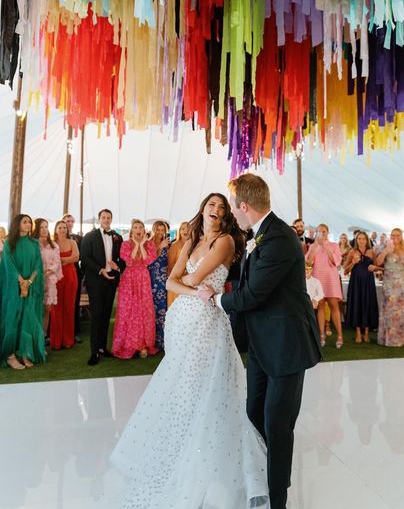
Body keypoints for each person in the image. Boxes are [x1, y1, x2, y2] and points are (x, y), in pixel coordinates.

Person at [111, 193, 269, 508]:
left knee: (206, 387)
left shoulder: (224, 241)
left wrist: (189, 285)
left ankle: (207, 454)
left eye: (222, 207)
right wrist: (191, 289)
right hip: (181, 319)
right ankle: (183, 444)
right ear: (203, 210)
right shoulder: (190, 242)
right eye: (212, 205)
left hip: (208, 321)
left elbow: (192, 277)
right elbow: (172, 282)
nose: (217, 210)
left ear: (226, 216)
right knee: (183, 386)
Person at [200, 175, 322, 509]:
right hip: (261, 345)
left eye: (232, 207)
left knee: (277, 425)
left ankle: (278, 498)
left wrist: (217, 300)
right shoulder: (260, 235)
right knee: (254, 413)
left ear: (244, 206)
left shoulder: (280, 238)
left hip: (286, 346)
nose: (231, 215)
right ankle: (265, 476)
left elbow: (254, 294)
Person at [0, 214, 45, 369]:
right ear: (17, 224)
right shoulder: (9, 243)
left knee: (28, 318)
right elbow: (9, 266)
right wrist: (21, 282)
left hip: (30, 287)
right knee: (12, 318)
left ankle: (26, 353)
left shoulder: (34, 243)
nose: (28, 224)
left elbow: (38, 266)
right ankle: (10, 355)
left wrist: (29, 282)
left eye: (29, 222)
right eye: (24, 222)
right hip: (13, 289)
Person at [81, 209, 125, 366]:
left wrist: (117, 266)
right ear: (99, 219)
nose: (106, 220)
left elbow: (123, 259)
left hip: (111, 281)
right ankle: (94, 351)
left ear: (111, 219)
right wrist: (100, 270)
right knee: (97, 315)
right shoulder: (90, 236)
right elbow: (84, 257)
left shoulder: (117, 237)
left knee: (106, 315)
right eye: (103, 217)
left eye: (109, 217)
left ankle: (102, 348)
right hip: (96, 281)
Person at [112, 219, 158, 359]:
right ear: (132, 231)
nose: (138, 229)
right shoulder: (126, 244)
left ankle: (143, 344)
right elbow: (129, 261)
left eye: (140, 227)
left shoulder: (150, 244)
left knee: (143, 310)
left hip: (143, 278)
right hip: (129, 278)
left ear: (144, 231)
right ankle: (129, 345)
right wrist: (136, 245)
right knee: (129, 310)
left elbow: (147, 260)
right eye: (135, 227)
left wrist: (142, 245)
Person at [306, 223, 344, 348]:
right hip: (318, 278)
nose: (321, 234)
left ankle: (339, 335)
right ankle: (321, 335)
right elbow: (309, 263)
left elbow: (336, 262)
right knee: (320, 306)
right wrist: (315, 247)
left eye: (324, 231)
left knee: (334, 305)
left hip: (331, 278)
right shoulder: (313, 246)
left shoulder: (334, 245)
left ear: (327, 233)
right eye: (319, 231)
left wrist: (325, 246)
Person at [376, 228, 404, 346]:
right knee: (390, 309)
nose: (395, 237)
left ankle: (403, 339)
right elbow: (378, 262)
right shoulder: (384, 247)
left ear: (401, 236)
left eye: (397, 235)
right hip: (390, 282)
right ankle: (389, 339)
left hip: (402, 282)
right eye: (393, 235)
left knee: (402, 309)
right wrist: (386, 251)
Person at [344, 231, 379, 343]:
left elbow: (378, 267)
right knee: (357, 305)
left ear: (367, 240)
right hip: (356, 283)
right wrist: (353, 262)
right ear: (356, 240)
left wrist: (375, 267)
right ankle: (358, 333)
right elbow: (345, 270)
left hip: (368, 283)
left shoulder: (372, 252)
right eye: (359, 238)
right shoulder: (352, 252)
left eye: (363, 238)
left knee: (368, 304)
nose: (361, 241)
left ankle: (367, 333)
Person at [49, 220, 79, 350]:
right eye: (59, 227)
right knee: (56, 308)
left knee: (69, 307)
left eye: (64, 227)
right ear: (55, 230)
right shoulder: (52, 244)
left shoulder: (72, 242)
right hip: (55, 278)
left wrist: (61, 260)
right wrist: (67, 260)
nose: (62, 230)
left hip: (71, 277)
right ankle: (56, 341)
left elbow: (77, 257)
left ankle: (67, 340)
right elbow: (50, 261)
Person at [32, 218, 63, 339]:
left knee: (47, 309)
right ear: (36, 229)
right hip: (34, 279)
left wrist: (48, 272)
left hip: (49, 280)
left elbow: (57, 262)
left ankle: (42, 338)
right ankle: (33, 338)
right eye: (42, 227)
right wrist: (38, 273)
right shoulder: (33, 244)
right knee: (35, 310)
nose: (45, 230)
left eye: (46, 226)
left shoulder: (53, 245)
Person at [62, 213, 84, 343]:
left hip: (74, 273)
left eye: (71, 221)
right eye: (67, 221)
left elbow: (82, 256)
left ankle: (74, 331)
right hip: (58, 274)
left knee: (74, 303)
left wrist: (82, 271)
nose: (69, 223)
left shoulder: (79, 238)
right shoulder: (54, 239)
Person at [148, 220, 169, 350]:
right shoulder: (149, 244)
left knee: (163, 310)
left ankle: (163, 340)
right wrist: (160, 246)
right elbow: (149, 261)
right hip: (151, 279)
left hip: (164, 280)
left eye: (163, 230)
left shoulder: (168, 245)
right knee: (152, 310)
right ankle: (153, 340)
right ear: (154, 230)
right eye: (159, 230)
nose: (161, 233)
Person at [167, 221, 190, 306]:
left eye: (188, 228)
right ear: (179, 231)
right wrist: (182, 273)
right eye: (183, 228)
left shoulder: (194, 245)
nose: (186, 230)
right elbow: (170, 264)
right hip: (177, 280)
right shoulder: (174, 245)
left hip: (190, 280)